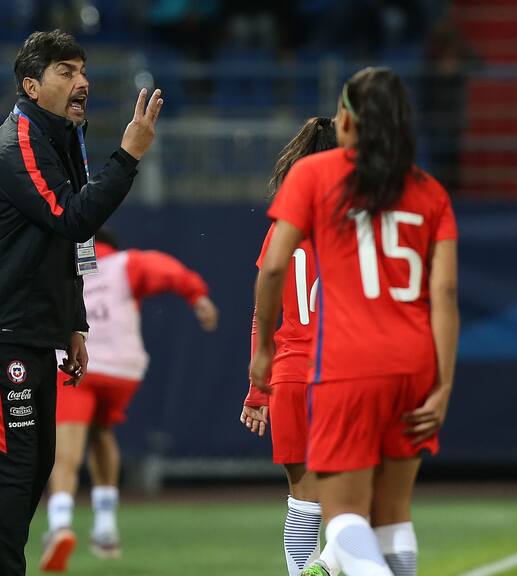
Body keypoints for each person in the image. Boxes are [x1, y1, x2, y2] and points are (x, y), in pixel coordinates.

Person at [250, 67, 460, 576]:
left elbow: (275, 267)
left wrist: (261, 357)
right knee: (392, 516)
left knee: (340, 515)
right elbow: (445, 292)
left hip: (340, 363)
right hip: (413, 361)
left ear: (347, 119)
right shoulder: (426, 191)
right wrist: (444, 383)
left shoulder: (316, 182)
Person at [0, 30, 162, 576]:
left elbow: (69, 242)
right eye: (66, 72)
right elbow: (73, 218)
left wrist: (73, 325)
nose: (83, 82)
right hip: (6, 340)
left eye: (83, 70)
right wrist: (130, 154)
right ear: (31, 84)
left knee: (39, 464)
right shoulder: (19, 142)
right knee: (17, 470)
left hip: (36, 336)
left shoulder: (62, 135)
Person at [40, 228, 218, 571]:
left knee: (68, 447)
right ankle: (105, 527)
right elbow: (165, 269)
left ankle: (59, 523)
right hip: (123, 369)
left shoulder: (61, 262)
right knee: (101, 433)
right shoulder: (125, 263)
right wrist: (197, 295)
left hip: (77, 362)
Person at [240, 117, 342, 576]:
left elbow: (264, 313)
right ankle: (326, 564)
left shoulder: (282, 230)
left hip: (288, 376)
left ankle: (304, 572)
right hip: (341, 374)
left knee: (302, 498)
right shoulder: (355, 225)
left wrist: (258, 390)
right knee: (358, 497)